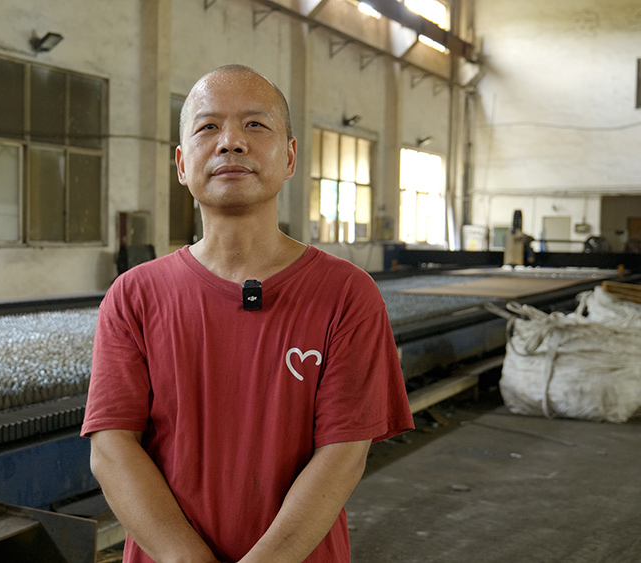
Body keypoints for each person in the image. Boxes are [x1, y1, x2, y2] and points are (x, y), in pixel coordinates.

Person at [82, 64, 414, 563]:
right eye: (208, 126)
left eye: (255, 125)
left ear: (290, 157)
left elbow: (343, 453)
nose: (231, 142)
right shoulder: (134, 296)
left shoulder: (346, 294)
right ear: (181, 164)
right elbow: (112, 448)